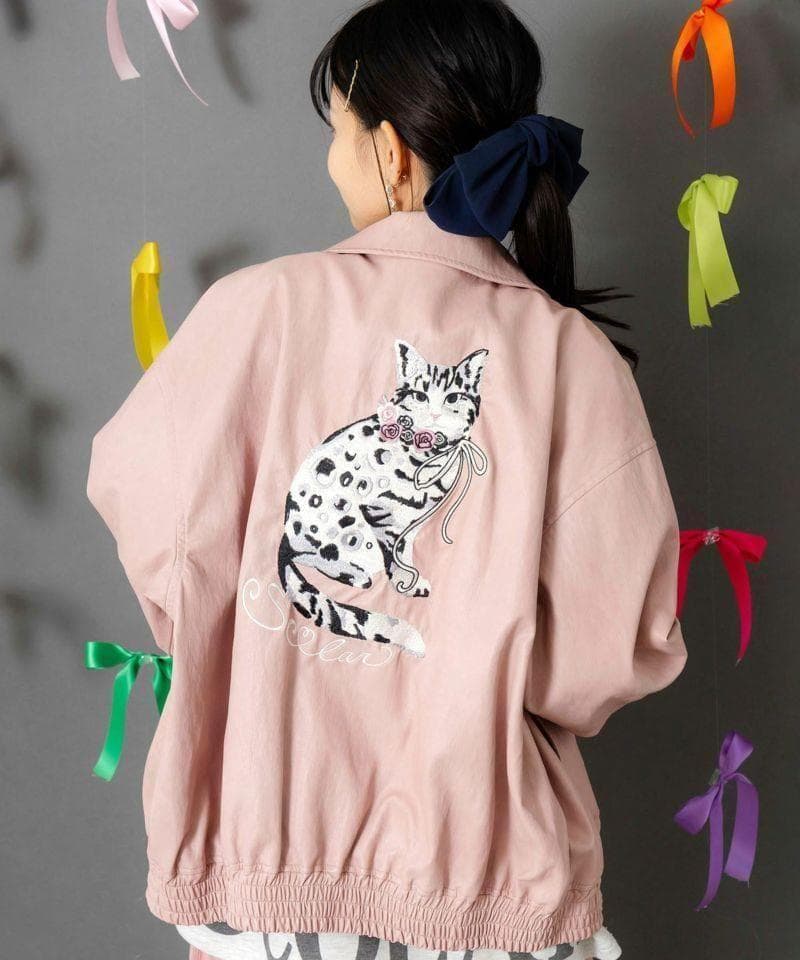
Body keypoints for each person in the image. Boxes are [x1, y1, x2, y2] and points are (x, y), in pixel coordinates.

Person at [85, 2, 688, 959]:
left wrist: (234, 630)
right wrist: (475, 651)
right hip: (486, 893)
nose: (334, 161)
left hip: (268, 893)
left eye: (339, 132)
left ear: (393, 153)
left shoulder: (254, 311)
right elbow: (614, 651)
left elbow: (156, 523)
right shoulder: (571, 357)